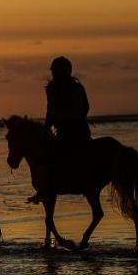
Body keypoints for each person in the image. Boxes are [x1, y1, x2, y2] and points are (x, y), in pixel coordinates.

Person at [29, 56, 91, 203]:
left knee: (45, 157)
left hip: (66, 132)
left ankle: (43, 190)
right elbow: (86, 108)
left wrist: (46, 131)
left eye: (54, 72)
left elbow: (51, 113)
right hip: (82, 130)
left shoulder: (53, 88)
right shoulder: (78, 86)